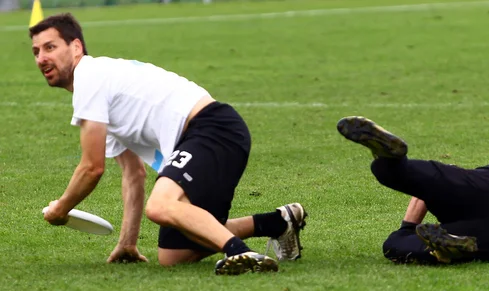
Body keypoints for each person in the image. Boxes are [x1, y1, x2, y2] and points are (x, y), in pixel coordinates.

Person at [30, 13, 307, 275]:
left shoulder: (89, 76)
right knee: (173, 256)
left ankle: (240, 253)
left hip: (212, 128)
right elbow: (133, 173)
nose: (42, 58)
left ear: (76, 47)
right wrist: (127, 242)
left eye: (50, 47)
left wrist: (61, 209)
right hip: (210, 136)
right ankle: (278, 222)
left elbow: (92, 168)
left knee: (160, 205)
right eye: (36, 52)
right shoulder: (101, 89)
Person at [336, 116, 489, 264]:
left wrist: (410, 223)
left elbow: (440, 182)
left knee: (400, 175)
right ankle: (445, 249)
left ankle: (389, 162)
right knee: (394, 246)